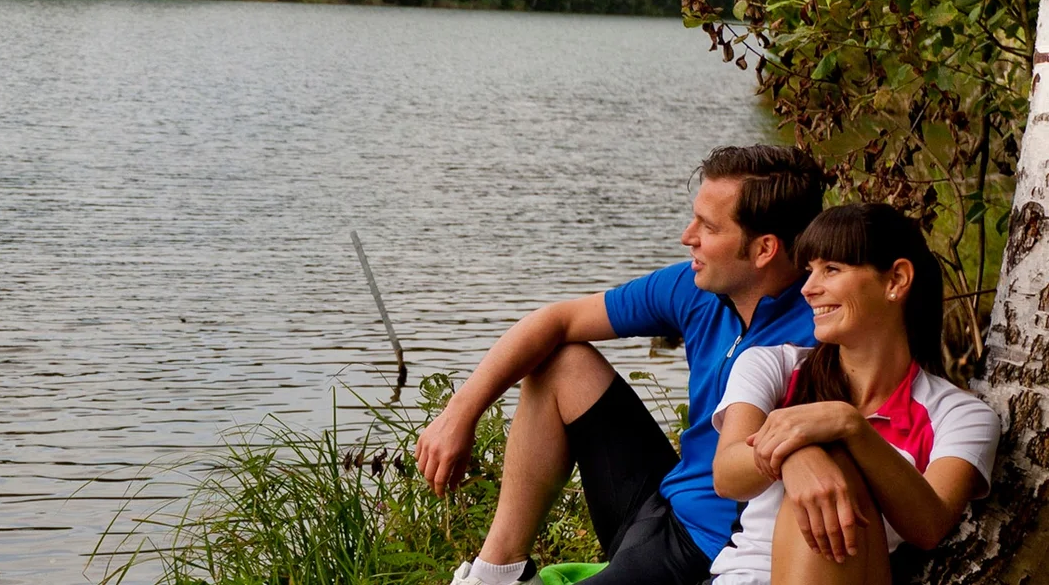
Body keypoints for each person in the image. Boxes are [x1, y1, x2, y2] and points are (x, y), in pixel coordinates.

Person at [415, 145, 826, 585]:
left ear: (764, 249)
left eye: (708, 227)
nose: (688, 236)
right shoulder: (694, 289)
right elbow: (557, 320)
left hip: (719, 550)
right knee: (562, 361)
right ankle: (495, 574)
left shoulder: (824, 328)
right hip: (665, 506)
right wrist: (458, 415)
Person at [708, 203, 999, 585]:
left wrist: (849, 427)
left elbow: (928, 526)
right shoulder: (772, 367)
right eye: (810, 270)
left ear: (896, 280)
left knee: (841, 464)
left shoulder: (960, 415)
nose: (809, 288)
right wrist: (798, 454)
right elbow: (728, 474)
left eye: (832, 269)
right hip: (741, 579)